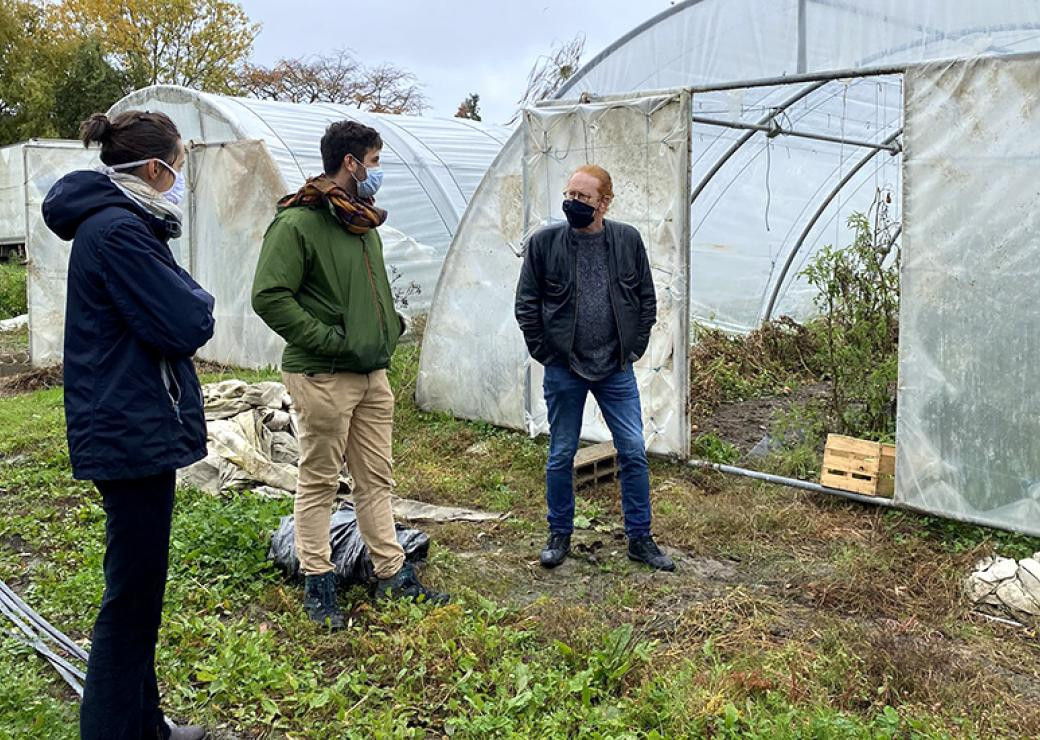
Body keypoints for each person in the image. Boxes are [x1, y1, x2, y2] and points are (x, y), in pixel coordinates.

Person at [41, 111, 213, 740]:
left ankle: (148, 728)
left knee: (138, 592)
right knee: (130, 602)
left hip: (127, 423)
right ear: (151, 167)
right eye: (179, 161)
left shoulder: (120, 224)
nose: (179, 175)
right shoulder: (119, 232)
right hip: (128, 429)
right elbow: (186, 321)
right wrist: (196, 299)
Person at [252, 120, 447, 630]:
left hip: (370, 373)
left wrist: (387, 328)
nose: (378, 173)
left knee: (375, 478)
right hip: (322, 375)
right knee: (318, 479)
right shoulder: (298, 224)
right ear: (351, 163)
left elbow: (367, 292)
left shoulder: (359, 224)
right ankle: (318, 580)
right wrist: (332, 340)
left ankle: (392, 573)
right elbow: (269, 297)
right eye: (375, 162)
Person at [515, 164, 675, 572]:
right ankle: (559, 534)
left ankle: (640, 538)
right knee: (561, 453)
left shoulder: (626, 240)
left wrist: (633, 349)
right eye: (569, 195)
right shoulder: (545, 244)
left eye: (582, 198)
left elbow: (645, 299)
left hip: (614, 368)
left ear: (604, 202)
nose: (572, 204)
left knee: (633, 451)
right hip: (564, 367)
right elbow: (527, 304)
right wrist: (546, 352)